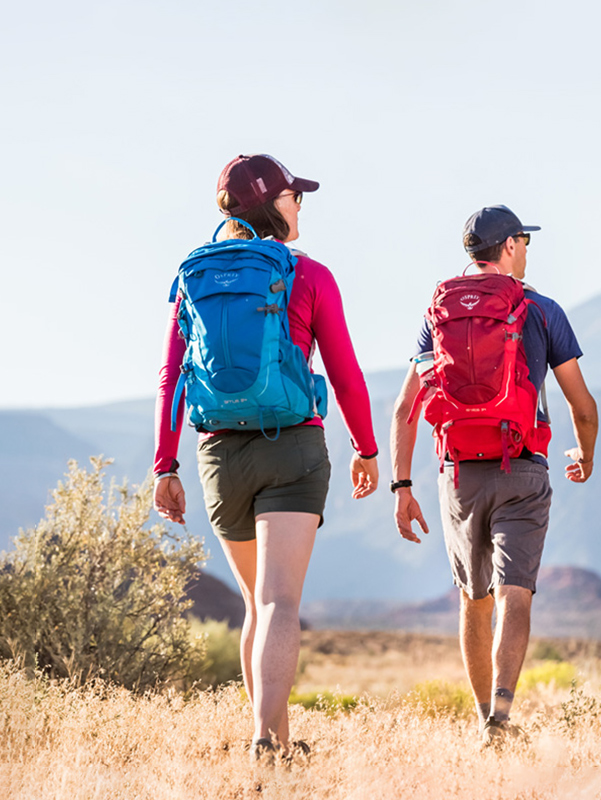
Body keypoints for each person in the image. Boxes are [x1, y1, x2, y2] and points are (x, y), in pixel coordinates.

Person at [153, 153, 379, 762]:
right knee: (282, 600)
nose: (299, 204)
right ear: (268, 204)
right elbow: (345, 373)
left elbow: (171, 375)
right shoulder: (309, 275)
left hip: (218, 455)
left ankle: (273, 741)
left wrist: (164, 466)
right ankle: (262, 739)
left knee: (256, 603)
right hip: (293, 445)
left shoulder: (193, 274)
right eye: (292, 196)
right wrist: (366, 447)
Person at [390, 204, 597, 746]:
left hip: (457, 473)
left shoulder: (439, 314)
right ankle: (500, 721)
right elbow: (582, 405)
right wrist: (586, 453)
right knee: (516, 596)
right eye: (524, 240)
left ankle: (483, 713)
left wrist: (402, 485)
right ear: (508, 246)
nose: (527, 250)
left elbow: (403, 409)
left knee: (472, 598)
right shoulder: (542, 310)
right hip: (523, 467)